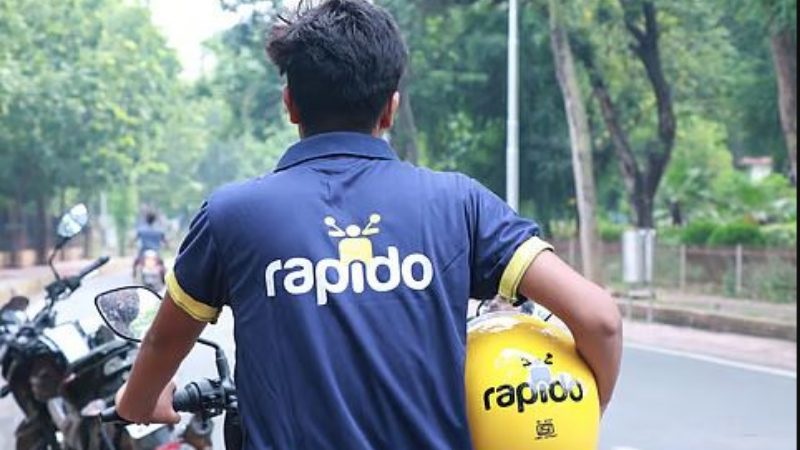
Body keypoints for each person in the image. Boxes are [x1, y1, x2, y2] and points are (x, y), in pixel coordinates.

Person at [112, 1, 623, 449]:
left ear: (290, 105)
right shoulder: (460, 203)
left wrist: (139, 401)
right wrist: (581, 411)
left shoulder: (231, 216)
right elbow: (600, 320)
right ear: (391, 107)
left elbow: (162, 344)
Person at [132, 211, 167, 279]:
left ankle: (134, 275)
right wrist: (167, 246)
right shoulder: (159, 230)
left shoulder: (141, 229)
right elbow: (165, 241)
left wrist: (131, 244)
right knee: (162, 265)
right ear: (154, 220)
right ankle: (163, 280)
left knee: (135, 263)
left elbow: (135, 239)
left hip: (143, 252)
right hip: (156, 252)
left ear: (146, 219)